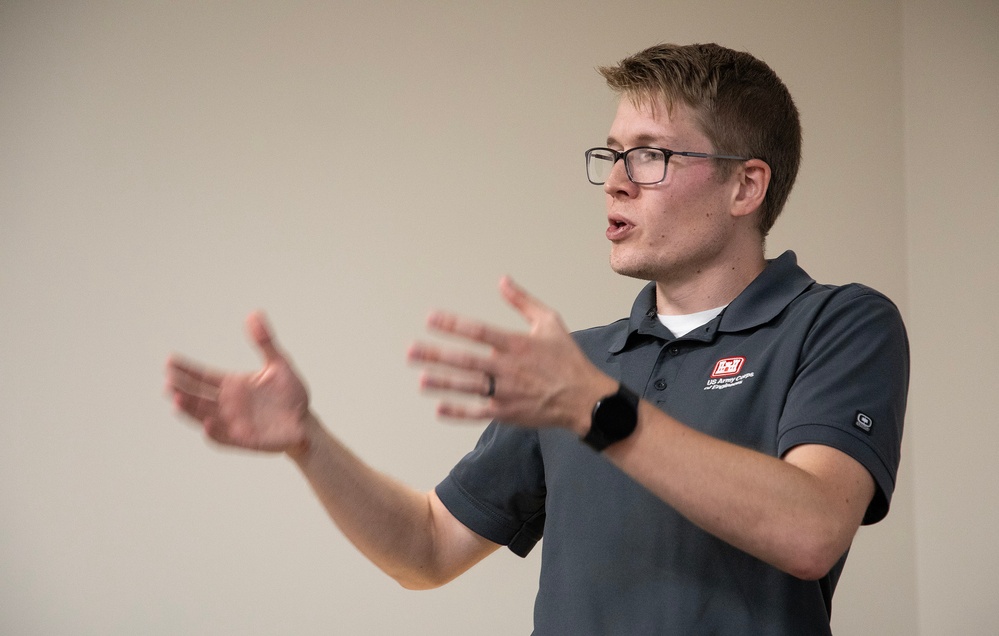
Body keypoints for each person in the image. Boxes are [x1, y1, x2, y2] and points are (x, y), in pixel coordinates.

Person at [166, 43, 908, 634]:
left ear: (745, 186)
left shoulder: (840, 322)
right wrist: (308, 443)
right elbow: (425, 548)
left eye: (650, 155)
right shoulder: (575, 369)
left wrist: (599, 413)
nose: (616, 181)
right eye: (611, 154)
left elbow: (811, 528)